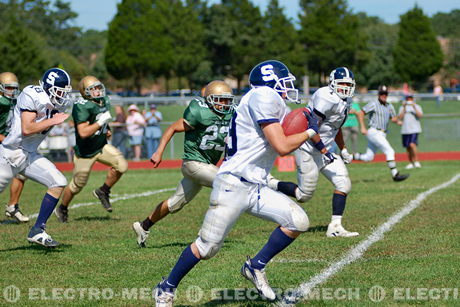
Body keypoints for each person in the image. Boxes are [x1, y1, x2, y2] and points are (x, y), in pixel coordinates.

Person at [153, 60, 319, 306]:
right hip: (233, 184)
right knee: (207, 248)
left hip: (255, 185)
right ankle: (166, 287)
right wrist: (309, 132)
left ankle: (255, 266)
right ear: (271, 81)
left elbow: (284, 136)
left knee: (297, 221)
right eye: (284, 82)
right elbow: (282, 146)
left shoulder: (269, 101)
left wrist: (314, 136)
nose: (287, 87)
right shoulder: (263, 95)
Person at [132, 80, 236, 247]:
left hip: (206, 165)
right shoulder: (199, 112)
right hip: (193, 163)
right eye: (220, 99)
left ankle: (143, 226)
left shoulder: (231, 114)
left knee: (175, 203)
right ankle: (207, 233)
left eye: (227, 100)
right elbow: (172, 128)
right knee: (228, 184)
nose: (224, 104)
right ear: (209, 100)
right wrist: (159, 152)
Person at [271, 67, 359, 238]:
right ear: (332, 84)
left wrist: (343, 149)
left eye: (348, 84)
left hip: (325, 150)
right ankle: (271, 183)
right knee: (304, 195)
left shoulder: (345, 101)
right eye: (342, 84)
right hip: (308, 149)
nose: (345, 88)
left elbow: (335, 128)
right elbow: (312, 129)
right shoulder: (326, 97)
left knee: (343, 184)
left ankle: (335, 227)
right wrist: (325, 150)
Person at [0, 68, 72, 247]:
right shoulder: (32, 94)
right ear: (48, 87)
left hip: (28, 154)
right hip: (11, 153)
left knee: (58, 182)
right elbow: (27, 128)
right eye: (59, 91)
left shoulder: (58, 103)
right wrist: (52, 121)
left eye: (64, 92)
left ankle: (38, 230)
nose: (62, 96)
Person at [54, 76, 128, 222]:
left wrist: (106, 129)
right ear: (85, 92)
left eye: (98, 87)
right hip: (85, 153)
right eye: (93, 89)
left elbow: (101, 120)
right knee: (77, 185)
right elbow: (83, 132)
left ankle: (103, 191)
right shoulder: (81, 105)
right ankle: (62, 207)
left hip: (101, 146)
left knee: (122, 165)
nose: (98, 91)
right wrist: (101, 123)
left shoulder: (104, 100)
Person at [354, 85, 409, 182]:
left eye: (385, 93)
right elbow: (361, 113)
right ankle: (395, 175)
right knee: (390, 151)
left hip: (382, 133)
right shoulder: (373, 104)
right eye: (382, 93)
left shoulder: (389, 106)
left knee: (368, 157)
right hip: (374, 131)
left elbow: (394, 119)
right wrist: (362, 127)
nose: (384, 95)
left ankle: (348, 157)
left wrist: (403, 111)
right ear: (378, 94)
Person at [0, 72, 29, 222]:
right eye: (8, 88)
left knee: (21, 173)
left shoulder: (14, 101)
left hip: (8, 143)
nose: (12, 91)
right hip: (3, 142)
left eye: (14, 88)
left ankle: (12, 206)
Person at [398, 95, 423, 169]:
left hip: (414, 129)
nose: (409, 100)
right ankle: (411, 162)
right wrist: (404, 107)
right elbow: (400, 117)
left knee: (412, 144)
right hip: (405, 130)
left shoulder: (417, 106)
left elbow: (420, 115)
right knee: (408, 146)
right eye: (407, 99)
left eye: (410, 99)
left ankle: (416, 161)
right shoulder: (402, 107)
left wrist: (414, 107)